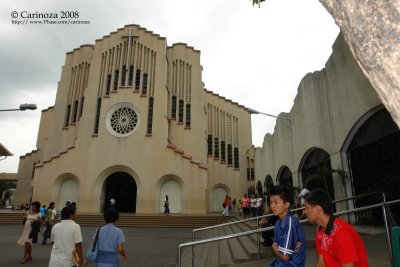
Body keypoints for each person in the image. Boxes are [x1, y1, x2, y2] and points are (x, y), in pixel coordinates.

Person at [303, 189, 369, 267]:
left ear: (318, 209)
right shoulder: (320, 229)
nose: (305, 212)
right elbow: (321, 263)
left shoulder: (341, 233)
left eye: (307, 208)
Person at [267, 185, 306, 267]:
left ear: (286, 205)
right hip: (281, 262)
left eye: (276, 202)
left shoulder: (290, 223)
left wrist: (275, 249)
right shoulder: (278, 222)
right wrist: (276, 249)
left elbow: (285, 257)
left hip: (291, 264)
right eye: (271, 202)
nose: (272, 206)